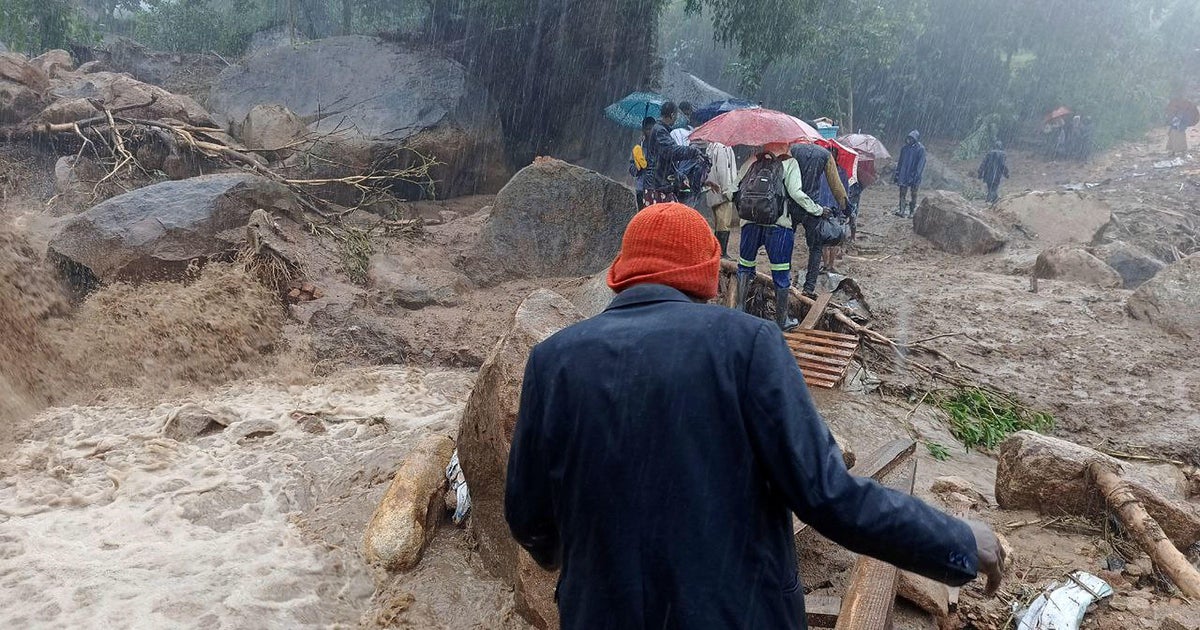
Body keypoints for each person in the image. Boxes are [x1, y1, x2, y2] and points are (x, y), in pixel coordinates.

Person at [505, 202, 1006, 630]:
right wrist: (959, 542)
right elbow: (828, 495)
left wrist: (586, 564)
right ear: (705, 275)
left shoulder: (554, 361)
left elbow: (528, 517)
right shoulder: (747, 344)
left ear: (621, 274)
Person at [736, 143, 823, 330]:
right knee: (781, 273)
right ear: (786, 143)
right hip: (778, 225)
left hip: (749, 224)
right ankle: (781, 319)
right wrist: (817, 210)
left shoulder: (752, 161)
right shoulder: (790, 163)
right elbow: (795, 193)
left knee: (744, 267)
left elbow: (733, 188)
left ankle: (739, 309)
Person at [790, 142, 847, 297]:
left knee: (788, 241)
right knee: (815, 248)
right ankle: (809, 288)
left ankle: (785, 279)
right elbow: (835, 185)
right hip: (813, 207)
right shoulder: (825, 154)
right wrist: (845, 205)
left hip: (792, 204)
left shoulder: (793, 150)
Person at [644, 101, 705, 205]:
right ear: (672, 115)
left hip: (660, 183)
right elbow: (671, 151)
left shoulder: (661, 130)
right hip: (657, 185)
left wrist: (680, 176)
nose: (677, 118)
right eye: (676, 115)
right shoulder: (660, 131)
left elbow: (668, 159)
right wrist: (693, 151)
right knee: (661, 219)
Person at [703, 139, 738, 258]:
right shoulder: (723, 148)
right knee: (724, 223)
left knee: (718, 222)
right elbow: (723, 171)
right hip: (722, 191)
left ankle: (717, 251)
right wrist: (727, 191)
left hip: (712, 190)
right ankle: (722, 252)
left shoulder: (711, 147)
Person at [893, 130, 926, 217]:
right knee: (902, 192)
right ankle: (902, 210)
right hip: (904, 174)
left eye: (911, 138)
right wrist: (897, 173)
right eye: (908, 138)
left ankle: (912, 212)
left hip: (914, 175)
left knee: (914, 193)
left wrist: (916, 176)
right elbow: (900, 162)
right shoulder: (904, 149)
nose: (909, 140)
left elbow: (921, 164)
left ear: (915, 139)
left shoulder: (920, 149)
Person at [628, 117, 656, 208]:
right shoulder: (638, 147)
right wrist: (637, 167)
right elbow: (631, 168)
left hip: (655, 188)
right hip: (641, 187)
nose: (650, 132)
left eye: (652, 129)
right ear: (643, 130)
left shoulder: (660, 146)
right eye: (648, 129)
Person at [977, 140, 1010, 204]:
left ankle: (990, 200)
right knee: (994, 188)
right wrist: (1006, 174)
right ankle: (992, 200)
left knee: (990, 188)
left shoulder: (989, 153)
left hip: (988, 174)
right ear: (1001, 146)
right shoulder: (1003, 154)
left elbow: (983, 163)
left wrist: (980, 172)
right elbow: (1003, 165)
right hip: (997, 175)